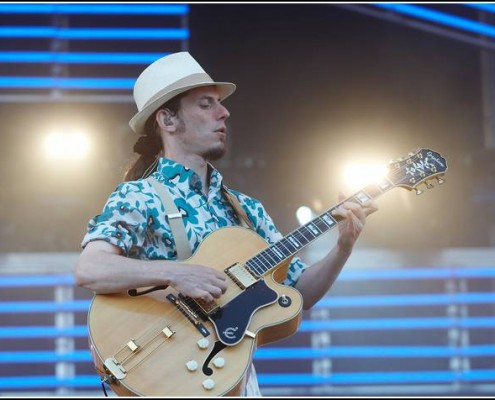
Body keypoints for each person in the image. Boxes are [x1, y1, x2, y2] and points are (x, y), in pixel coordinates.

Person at [75, 51, 378, 397]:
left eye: (219, 104)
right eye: (206, 105)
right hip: (159, 375)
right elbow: (90, 268)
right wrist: (176, 273)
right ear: (168, 120)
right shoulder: (138, 196)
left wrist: (343, 247)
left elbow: (300, 293)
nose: (224, 113)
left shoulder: (247, 210)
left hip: (231, 379)